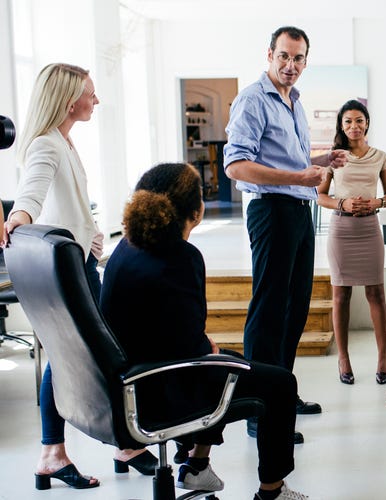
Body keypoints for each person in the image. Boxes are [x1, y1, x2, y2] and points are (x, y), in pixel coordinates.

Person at [100, 163, 308, 500]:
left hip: (126, 384)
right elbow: (194, 347)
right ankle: (273, 490)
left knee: (232, 362)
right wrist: (207, 347)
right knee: (281, 383)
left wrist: (206, 347)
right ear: (196, 211)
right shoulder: (182, 257)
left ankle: (197, 466)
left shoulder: (125, 248)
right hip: (160, 391)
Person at [0, 63, 155, 490]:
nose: (96, 100)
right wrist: (19, 217)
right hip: (68, 272)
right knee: (70, 356)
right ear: (70, 99)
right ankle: (56, 452)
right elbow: (32, 191)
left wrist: (91, 238)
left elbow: (67, 204)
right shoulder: (47, 146)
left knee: (91, 352)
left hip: (81, 264)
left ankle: (118, 443)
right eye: (91, 93)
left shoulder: (63, 141)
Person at [224, 26, 348, 439]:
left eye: (298, 59)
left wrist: (323, 159)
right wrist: (299, 174)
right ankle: (258, 411)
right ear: (270, 54)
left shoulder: (294, 102)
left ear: (306, 61)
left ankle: (280, 393)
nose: (290, 65)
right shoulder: (252, 100)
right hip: (270, 211)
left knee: (294, 308)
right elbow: (236, 166)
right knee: (269, 310)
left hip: (298, 210)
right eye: (284, 56)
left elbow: (291, 161)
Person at [316, 99, 386, 385]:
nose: (354, 126)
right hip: (341, 230)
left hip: (369, 230)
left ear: (367, 124)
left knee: (376, 293)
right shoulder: (334, 157)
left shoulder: (380, 156)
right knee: (341, 296)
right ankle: (344, 359)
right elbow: (320, 195)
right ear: (341, 125)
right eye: (348, 121)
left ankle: (383, 357)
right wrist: (343, 203)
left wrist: (376, 202)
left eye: (359, 120)